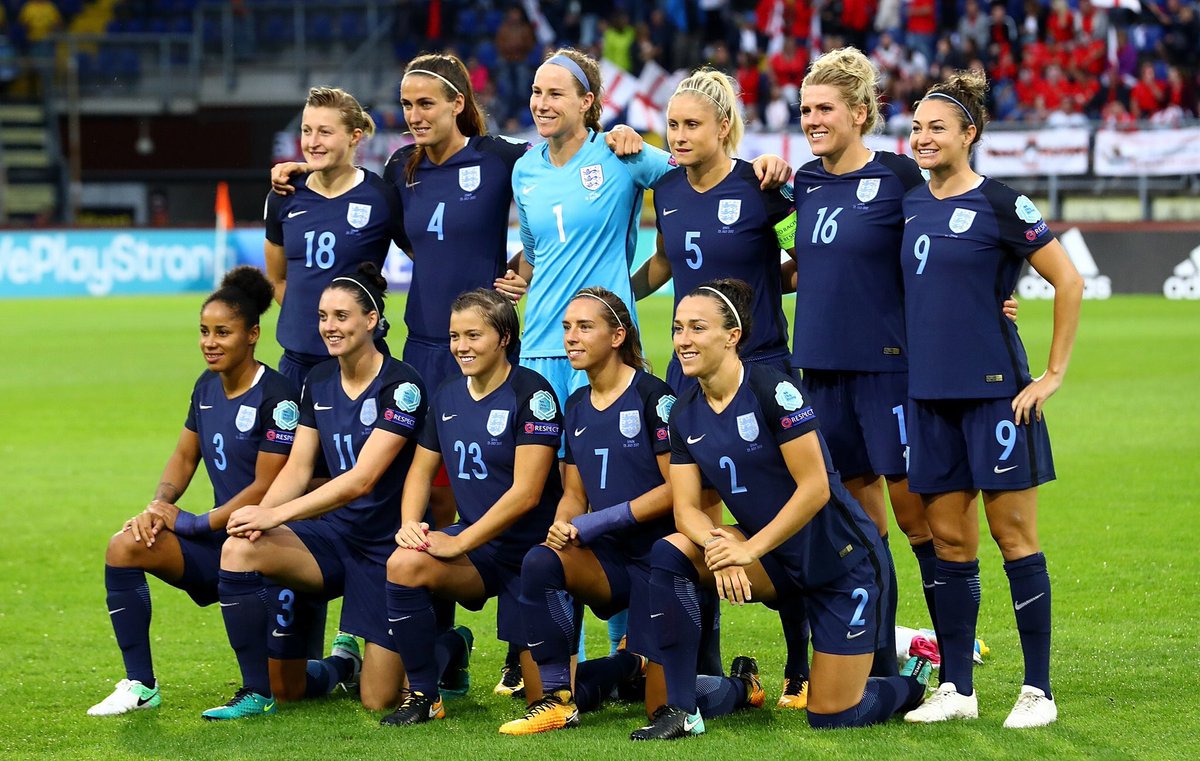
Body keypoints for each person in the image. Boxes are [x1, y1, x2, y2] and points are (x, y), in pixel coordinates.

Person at [788, 47, 1021, 698]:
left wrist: (996, 290)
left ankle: (954, 669)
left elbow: (968, 223)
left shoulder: (898, 176)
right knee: (863, 533)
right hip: (822, 376)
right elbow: (805, 260)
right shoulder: (804, 181)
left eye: (825, 108)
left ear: (859, 113)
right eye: (805, 109)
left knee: (922, 526)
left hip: (889, 374)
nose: (812, 119)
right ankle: (887, 667)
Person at [635, 279, 933, 740]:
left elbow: (814, 489)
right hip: (772, 561)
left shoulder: (772, 389)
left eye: (697, 328)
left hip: (839, 561)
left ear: (731, 335)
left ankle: (910, 681)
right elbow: (687, 510)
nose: (683, 340)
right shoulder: (684, 411)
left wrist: (748, 548)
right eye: (678, 328)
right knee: (673, 551)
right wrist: (718, 545)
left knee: (832, 715)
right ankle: (683, 709)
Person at [499, 287, 765, 735]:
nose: (571, 338)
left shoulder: (653, 397)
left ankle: (740, 685)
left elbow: (677, 491)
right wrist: (564, 521)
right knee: (540, 561)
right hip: (607, 560)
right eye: (567, 327)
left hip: (660, 560)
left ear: (617, 335)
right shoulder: (576, 404)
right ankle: (558, 698)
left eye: (585, 327)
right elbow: (574, 491)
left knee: (659, 707)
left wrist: (603, 520)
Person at [900, 71, 1082, 729]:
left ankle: (1039, 690)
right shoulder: (909, 205)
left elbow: (1069, 280)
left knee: (1014, 538)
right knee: (949, 542)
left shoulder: (1005, 203)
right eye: (917, 127)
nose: (923, 137)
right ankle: (957, 686)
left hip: (997, 400)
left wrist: (1052, 373)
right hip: (928, 398)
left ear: (969, 134)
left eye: (937, 127)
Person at [203, 265, 449, 720]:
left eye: (341, 316)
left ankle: (447, 646)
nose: (329, 327)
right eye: (322, 317)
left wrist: (275, 517)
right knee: (238, 550)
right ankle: (257, 691)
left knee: (378, 699)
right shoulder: (316, 381)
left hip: (385, 550)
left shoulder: (403, 385)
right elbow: (297, 468)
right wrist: (259, 512)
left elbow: (361, 480)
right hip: (334, 538)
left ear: (371, 320)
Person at [88, 267, 308, 716]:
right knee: (126, 546)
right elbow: (185, 458)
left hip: (270, 548)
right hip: (218, 539)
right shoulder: (205, 386)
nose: (210, 342)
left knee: (289, 687)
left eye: (223, 332)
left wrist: (191, 522)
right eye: (204, 331)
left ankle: (341, 667)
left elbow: (267, 489)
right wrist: (158, 506)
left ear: (252, 335)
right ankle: (141, 685)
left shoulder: (279, 396)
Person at [380, 289, 563, 727]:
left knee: (544, 698)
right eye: (455, 336)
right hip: (479, 548)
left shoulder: (533, 393)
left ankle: (624, 670)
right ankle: (425, 695)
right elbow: (420, 473)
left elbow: (527, 494)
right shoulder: (445, 396)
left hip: (532, 556)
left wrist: (460, 538)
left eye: (473, 335)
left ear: (503, 337)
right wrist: (410, 523)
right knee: (403, 563)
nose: (461, 346)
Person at [264, 86, 405, 388]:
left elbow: (426, 256)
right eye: (306, 131)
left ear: (355, 136)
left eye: (325, 132)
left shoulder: (380, 198)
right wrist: (307, 322)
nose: (313, 142)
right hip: (296, 364)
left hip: (361, 363)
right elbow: (277, 279)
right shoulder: (283, 196)